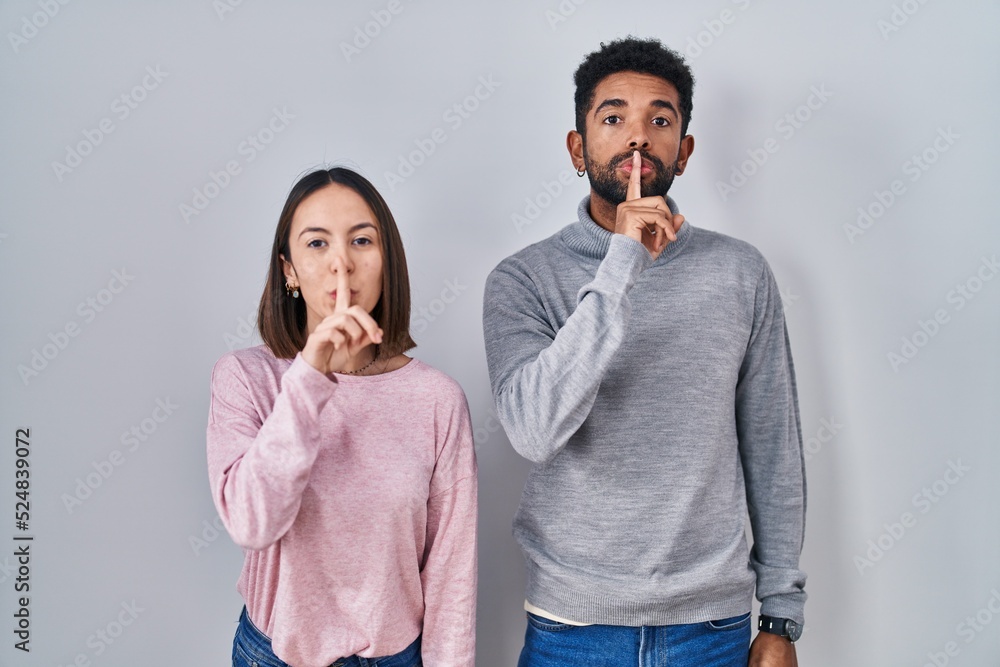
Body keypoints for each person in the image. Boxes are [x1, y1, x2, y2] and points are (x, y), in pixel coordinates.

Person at [482, 37, 806, 666]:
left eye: (660, 120)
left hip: (711, 630)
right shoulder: (522, 280)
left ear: (683, 152)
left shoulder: (740, 273)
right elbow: (532, 429)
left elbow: (773, 449)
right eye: (613, 118)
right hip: (571, 630)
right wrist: (622, 260)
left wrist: (782, 618)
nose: (638, 137)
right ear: (578, 148)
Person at [207, 167, 477, 667]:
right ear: (288, 270)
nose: (341, 265)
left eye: (361, 240)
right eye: (316, 244)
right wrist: (310, 376)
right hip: (275, 655)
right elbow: (251, 523)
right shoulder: (246, 378)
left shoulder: (438, 400)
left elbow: (450, 577)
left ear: (386, 260)